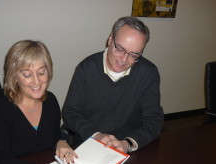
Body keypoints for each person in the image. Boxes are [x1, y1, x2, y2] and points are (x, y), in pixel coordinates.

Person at [0, 40, 80, 164]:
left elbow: (53, 136)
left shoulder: (50, 100)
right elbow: (3, 161)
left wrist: (61, 142)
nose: (37, 81)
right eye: (27, 74)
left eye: (41, 72)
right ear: (14, 76)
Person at [62, 16, 164, 153]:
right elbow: (70, 112)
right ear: (110, 40)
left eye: (134, 55)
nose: (124, 59)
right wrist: (96, 135)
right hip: (89, 141)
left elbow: (154, 120)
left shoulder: (148, 73)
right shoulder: (86, 68)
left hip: (128, 145)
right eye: (119, 49)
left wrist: (128, 143)